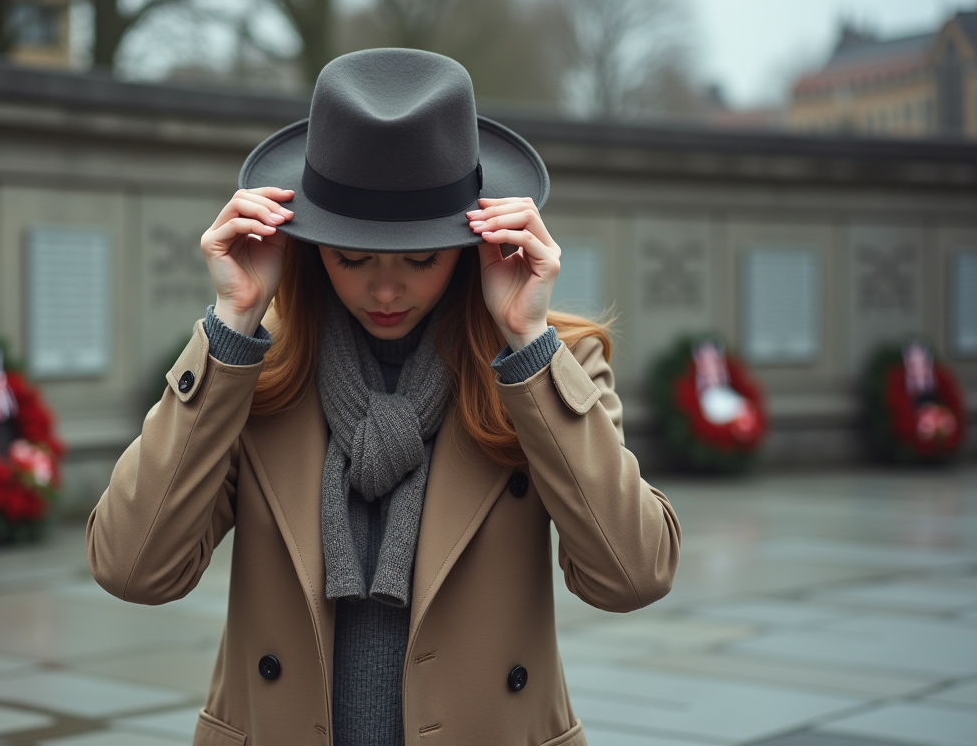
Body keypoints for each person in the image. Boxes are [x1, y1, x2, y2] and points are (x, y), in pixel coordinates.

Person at [87, 48, 681, 746]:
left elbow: (633, 575)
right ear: (310, 244)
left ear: (471, 241)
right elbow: (133, 568)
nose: (387, 291)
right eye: (353, 257)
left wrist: (528, 345)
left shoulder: (545, 366)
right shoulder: (259, 369)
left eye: (421, 259)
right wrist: (230, 328)